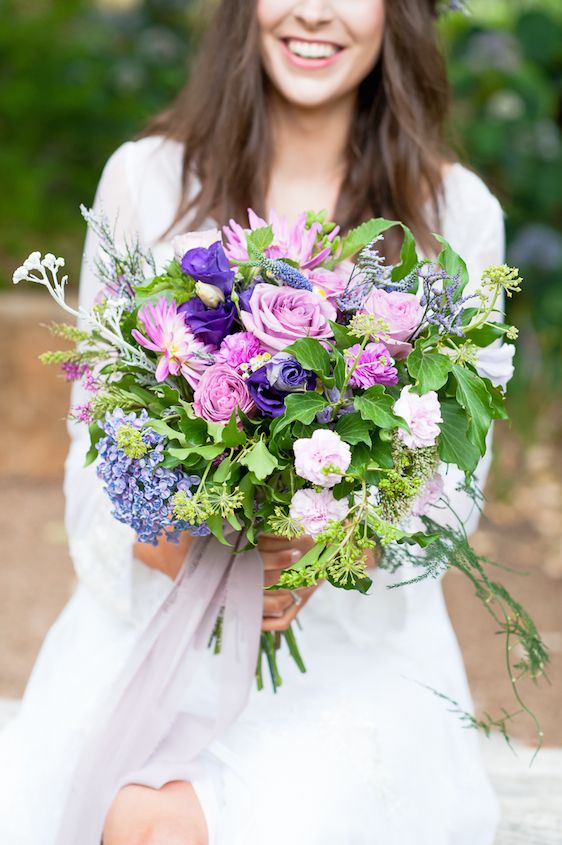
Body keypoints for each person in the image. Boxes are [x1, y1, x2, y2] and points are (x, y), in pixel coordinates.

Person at [0, 1, 515, 843]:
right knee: (140, 813)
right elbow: (91, 457)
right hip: (159, 628)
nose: (314, 12)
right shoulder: (146, 181)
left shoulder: (457, 214)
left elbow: (455, 488)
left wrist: (329, 546)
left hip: (355, 651)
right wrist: (198, 548)